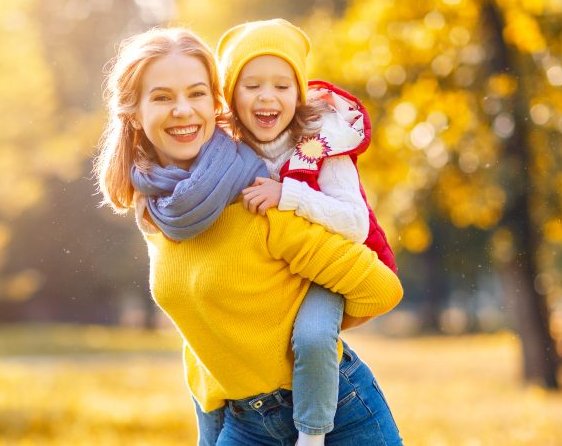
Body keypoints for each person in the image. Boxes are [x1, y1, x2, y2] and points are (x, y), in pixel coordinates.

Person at [94, 26, 404, 445]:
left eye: (196, 93)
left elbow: (380, 290)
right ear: (133, 112)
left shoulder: (259, 198)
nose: (183, 110)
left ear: (215, 102)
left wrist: (308, 334)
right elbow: (202, 328)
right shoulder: (158, 210)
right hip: (243, 422)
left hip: (339, 415)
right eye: (163, 97)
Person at [218, 19, 398, 446]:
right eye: (252, 85)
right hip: (274, 274)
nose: (267, 97)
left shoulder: (321, 143)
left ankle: (312, 435)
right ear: (230, 95)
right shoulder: (228, 147)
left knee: (314, 336)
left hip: (327, 269)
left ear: (298, 94)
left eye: (282, 86)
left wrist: (289, 195)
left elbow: (355, 224)